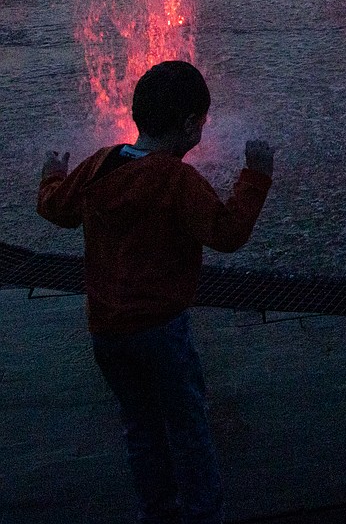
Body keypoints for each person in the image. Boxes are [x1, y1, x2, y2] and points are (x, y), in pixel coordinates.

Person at [38, 60, 275, 524]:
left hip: (107, 332)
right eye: (202, 123)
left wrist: (51, 176)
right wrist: (256, 177)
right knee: (188, 427)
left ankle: (158, 512)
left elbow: (56, 210)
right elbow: (226, 233)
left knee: (141, 428)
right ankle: (204, 514)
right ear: (189, 125)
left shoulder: (99, 165)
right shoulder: (174, 179)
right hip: (162, 331)